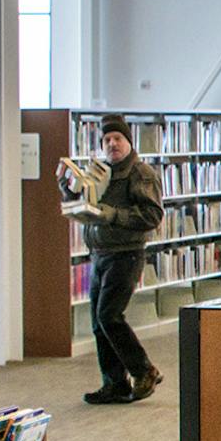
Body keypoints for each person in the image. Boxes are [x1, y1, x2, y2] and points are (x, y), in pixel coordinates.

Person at [63, 115, 165, 404]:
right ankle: (114, 383)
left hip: (126, 254)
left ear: (128, 141)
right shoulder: (101, 173)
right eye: (107, 141)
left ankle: (143, 370)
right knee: (98, 321)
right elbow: (88, 203)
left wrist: (112, 215)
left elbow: (152, 216)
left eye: (117, 139)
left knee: (109, 315)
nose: (112, 144)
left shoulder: (140, 173)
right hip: (100, 253)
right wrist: (70, 191)